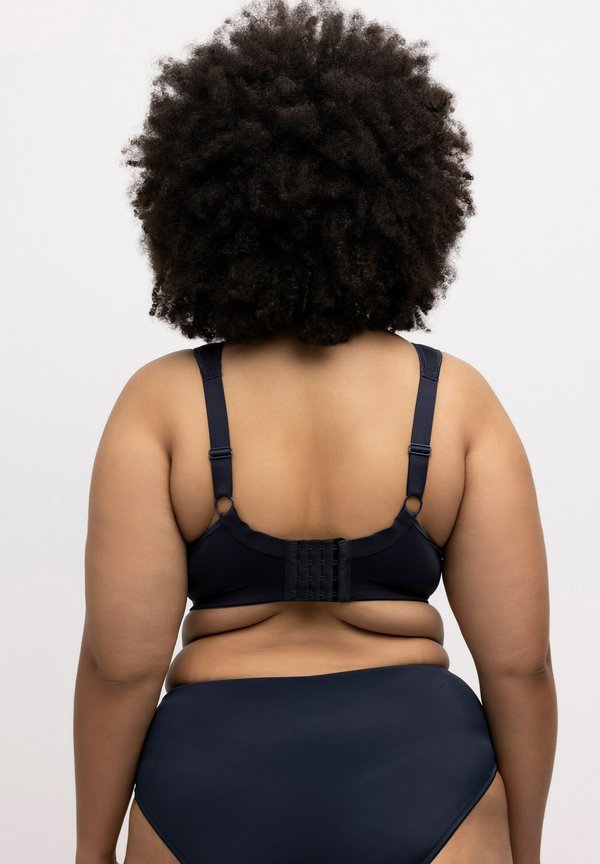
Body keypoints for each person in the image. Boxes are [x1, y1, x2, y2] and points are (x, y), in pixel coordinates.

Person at [73, 2, 557, 863]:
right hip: (425, 778)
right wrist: (523, 849)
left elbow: (120, 666)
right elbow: (519, 666)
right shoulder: (457, 402)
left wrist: (89, 851)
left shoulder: (162, 404)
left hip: (207, 787)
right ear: (406, 202)